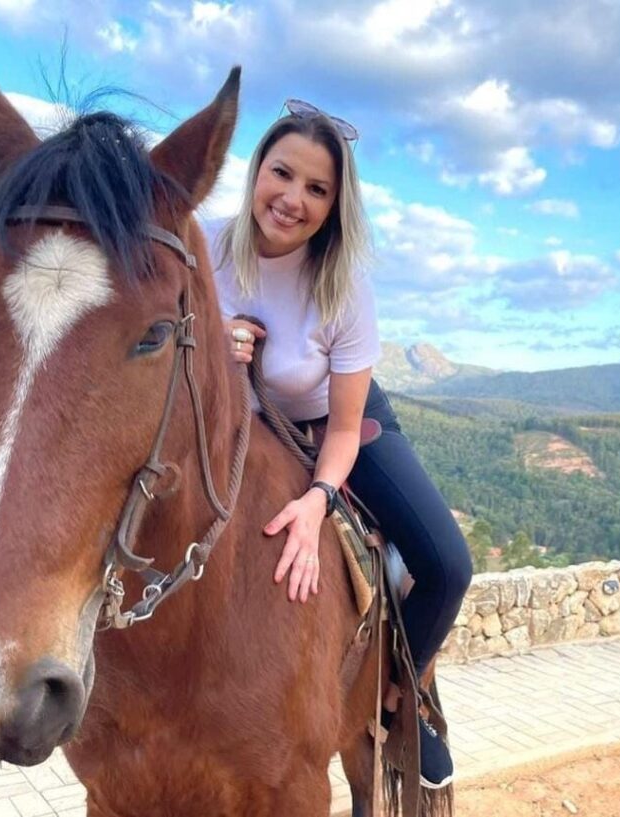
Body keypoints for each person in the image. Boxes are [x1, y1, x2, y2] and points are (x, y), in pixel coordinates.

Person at [213, 99, 473, 789]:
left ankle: (397, 696)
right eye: (282, 173)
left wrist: (318, 499)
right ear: (256, 171)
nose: (293, 199)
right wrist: (217, 347)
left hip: (340, 424)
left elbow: (347, 427)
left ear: (334, 205)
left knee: (448, 563)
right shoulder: (200, 247)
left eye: (317, 189)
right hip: (239, 424)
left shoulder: (343, 286)